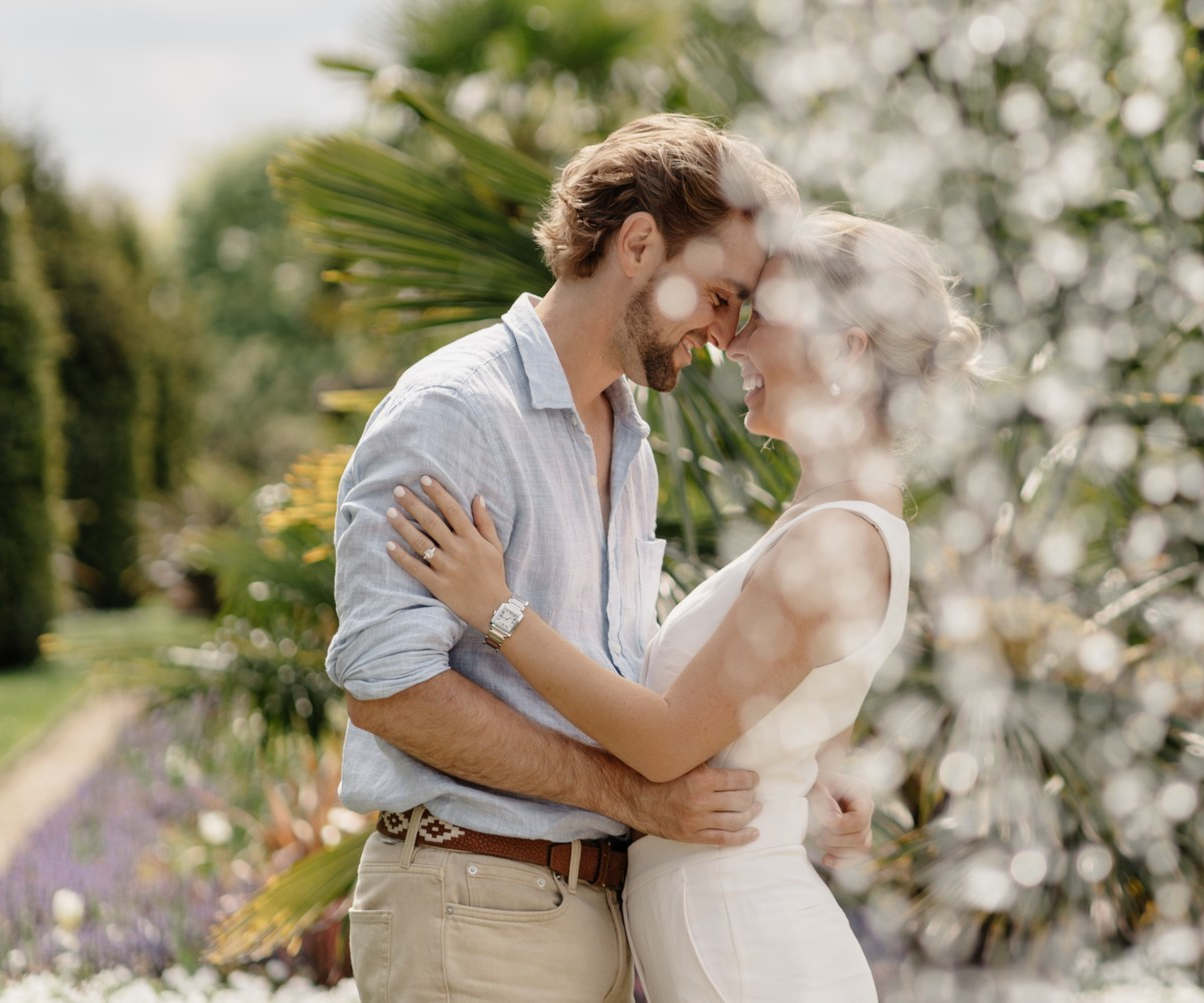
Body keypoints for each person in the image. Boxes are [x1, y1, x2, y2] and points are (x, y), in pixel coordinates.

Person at [324, 115, 874, 1003]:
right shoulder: (457, 412)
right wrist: (635, 797)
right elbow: (389, 689)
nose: (728, 334)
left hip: (591, 912)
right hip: (475, 904)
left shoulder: (631, 437)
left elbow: (639, 674)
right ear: (640, 243)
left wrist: (811, 759)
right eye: (720, 294)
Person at [390, 210, 979, 1001]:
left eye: (761, 317)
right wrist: (825, 766)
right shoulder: (836, 517)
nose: (731, 342)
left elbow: (666, 745)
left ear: (845, 349)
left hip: (744, 947)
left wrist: (499, 612)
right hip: (728, 932)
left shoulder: (831, 538)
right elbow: (812, 679)